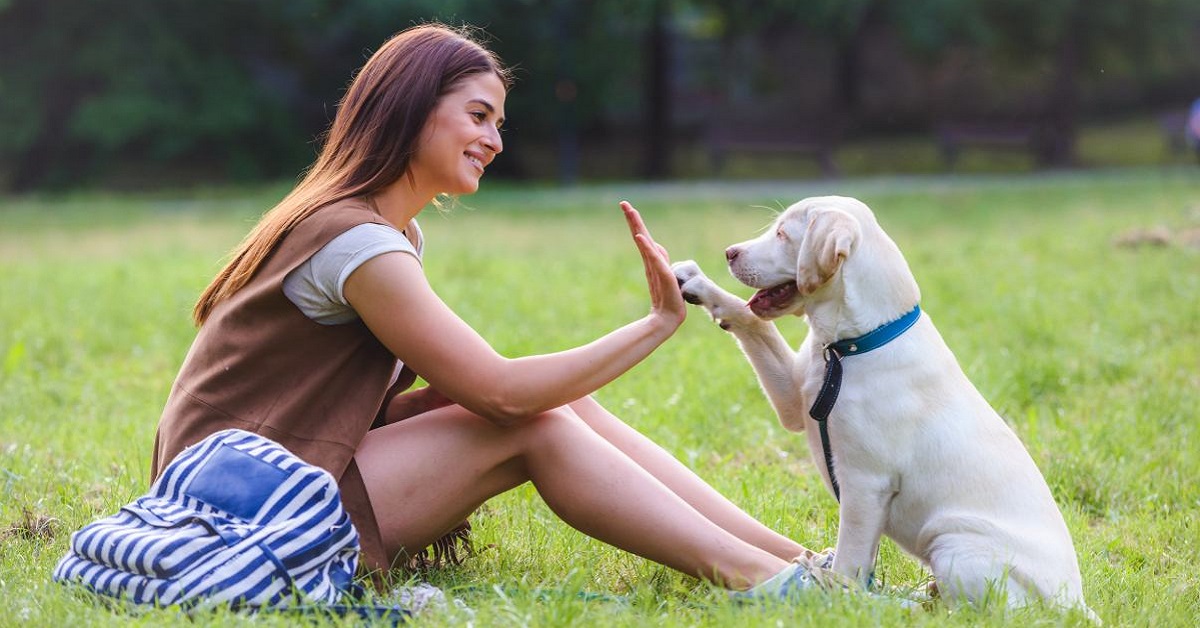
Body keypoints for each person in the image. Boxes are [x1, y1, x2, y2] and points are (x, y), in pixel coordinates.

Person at [151, 23, 815, 595]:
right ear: (412, 109)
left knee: (562, 406)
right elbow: (500, 395)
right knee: (531, 423)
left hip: (270, 485)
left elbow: (436, 395)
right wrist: (656, 325)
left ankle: (807, 564)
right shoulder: (354, 241)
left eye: (498, 122)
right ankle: (767, 584)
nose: (494, 140)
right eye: (478, 116)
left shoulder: (385, 232)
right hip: (234, 515)